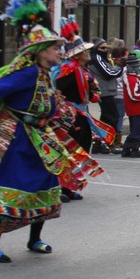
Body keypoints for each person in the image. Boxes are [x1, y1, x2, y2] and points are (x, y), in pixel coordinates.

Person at [0, 0, 103, 263]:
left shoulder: (45, 75)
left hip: (40, 138)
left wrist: (68, 118)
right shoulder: (28, 72)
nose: (60, 51)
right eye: (55, 47)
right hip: (16, 138)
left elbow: (51, 102)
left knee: (45, 183)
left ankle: (35, 238)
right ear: (40, 51)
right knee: (6, 184)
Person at [55, 21, 113, 201]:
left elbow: (91, 90)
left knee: (81, 148)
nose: (88, 53)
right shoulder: (68, 71)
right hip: (70, 116)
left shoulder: (82, 70)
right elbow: (58, 91)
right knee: (68, 151)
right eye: (85, 51)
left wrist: (94, 92)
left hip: (81, 113)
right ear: (78, 54)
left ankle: (70, 186)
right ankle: (61, 188)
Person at [88, 37, 122, 154]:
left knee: (106, 118)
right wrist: (120, 66)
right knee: (112, 117)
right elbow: (109, 73)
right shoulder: (96, 58)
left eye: (107, 47)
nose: (106, 50)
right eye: (103, 48)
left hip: (106, 90)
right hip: (104, 91)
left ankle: (99, 143)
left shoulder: (102, 58)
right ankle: (106, 143)